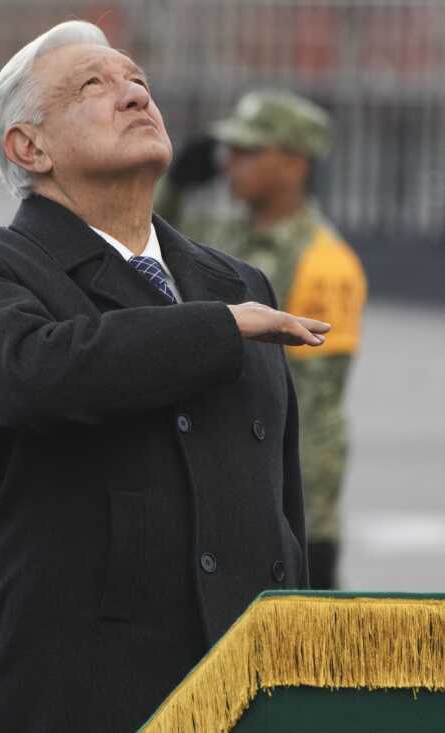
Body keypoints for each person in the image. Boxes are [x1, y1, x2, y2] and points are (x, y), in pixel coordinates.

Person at [0, 21, 332, 732]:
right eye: (93, 87)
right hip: (86, 698)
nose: (133, 94)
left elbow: (279, 506)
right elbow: (40, 373)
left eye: (136, 78)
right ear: (29, 147)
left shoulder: (233, 280)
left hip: (247, 690)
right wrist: (218, 328)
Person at [157, 90, 368, 589]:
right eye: (230, 149)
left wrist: (302, 517)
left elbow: (313, 406)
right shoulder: (218, 233)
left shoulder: (325, 261)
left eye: (250, 152)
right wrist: (175, 186)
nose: (230, 162)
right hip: (219, 480)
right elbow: (145, 239)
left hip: (283, 501)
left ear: (294, 164)